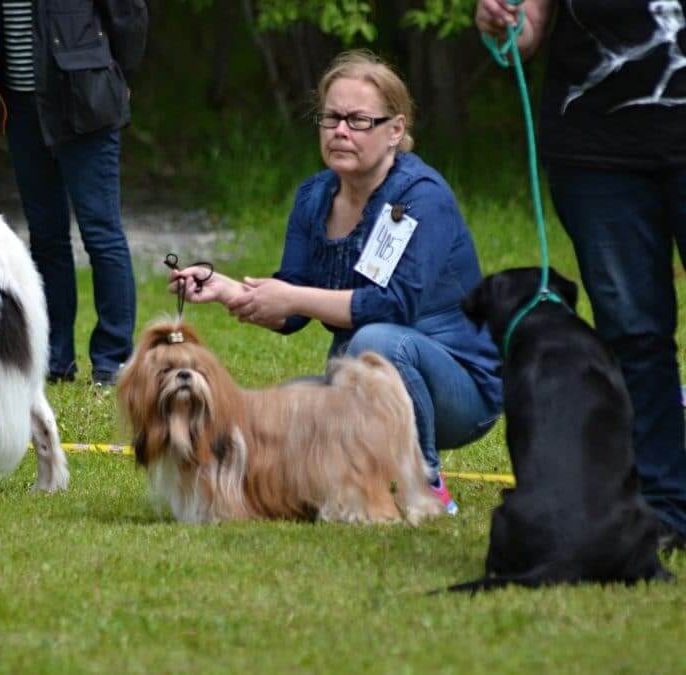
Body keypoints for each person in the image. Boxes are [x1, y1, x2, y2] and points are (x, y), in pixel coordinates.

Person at [168, 51, 503, 514]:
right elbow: (291, 306)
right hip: (359, 374)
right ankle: (334, 488)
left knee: (375, 343)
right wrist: (228, 290)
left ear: (395, 131)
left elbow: (392, 306)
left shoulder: (420, 197)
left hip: (458, 390)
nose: (340, 130)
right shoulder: (314, 196)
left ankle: (425, 485)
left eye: (359, 120)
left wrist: (294, 296)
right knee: (290, 404)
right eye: (330, 118)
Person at [475, 0, 686, 550]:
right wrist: (506, 23)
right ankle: (664, 508)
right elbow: (526, 33)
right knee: (632, 330)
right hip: (597, 150)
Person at [0, 0, 148, 386]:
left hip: (85, 99)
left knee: (101, 232)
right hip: (21, 107)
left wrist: (114, 76)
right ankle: (55, 357)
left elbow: (129, 15)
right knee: (46, 235)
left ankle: (112, 360)